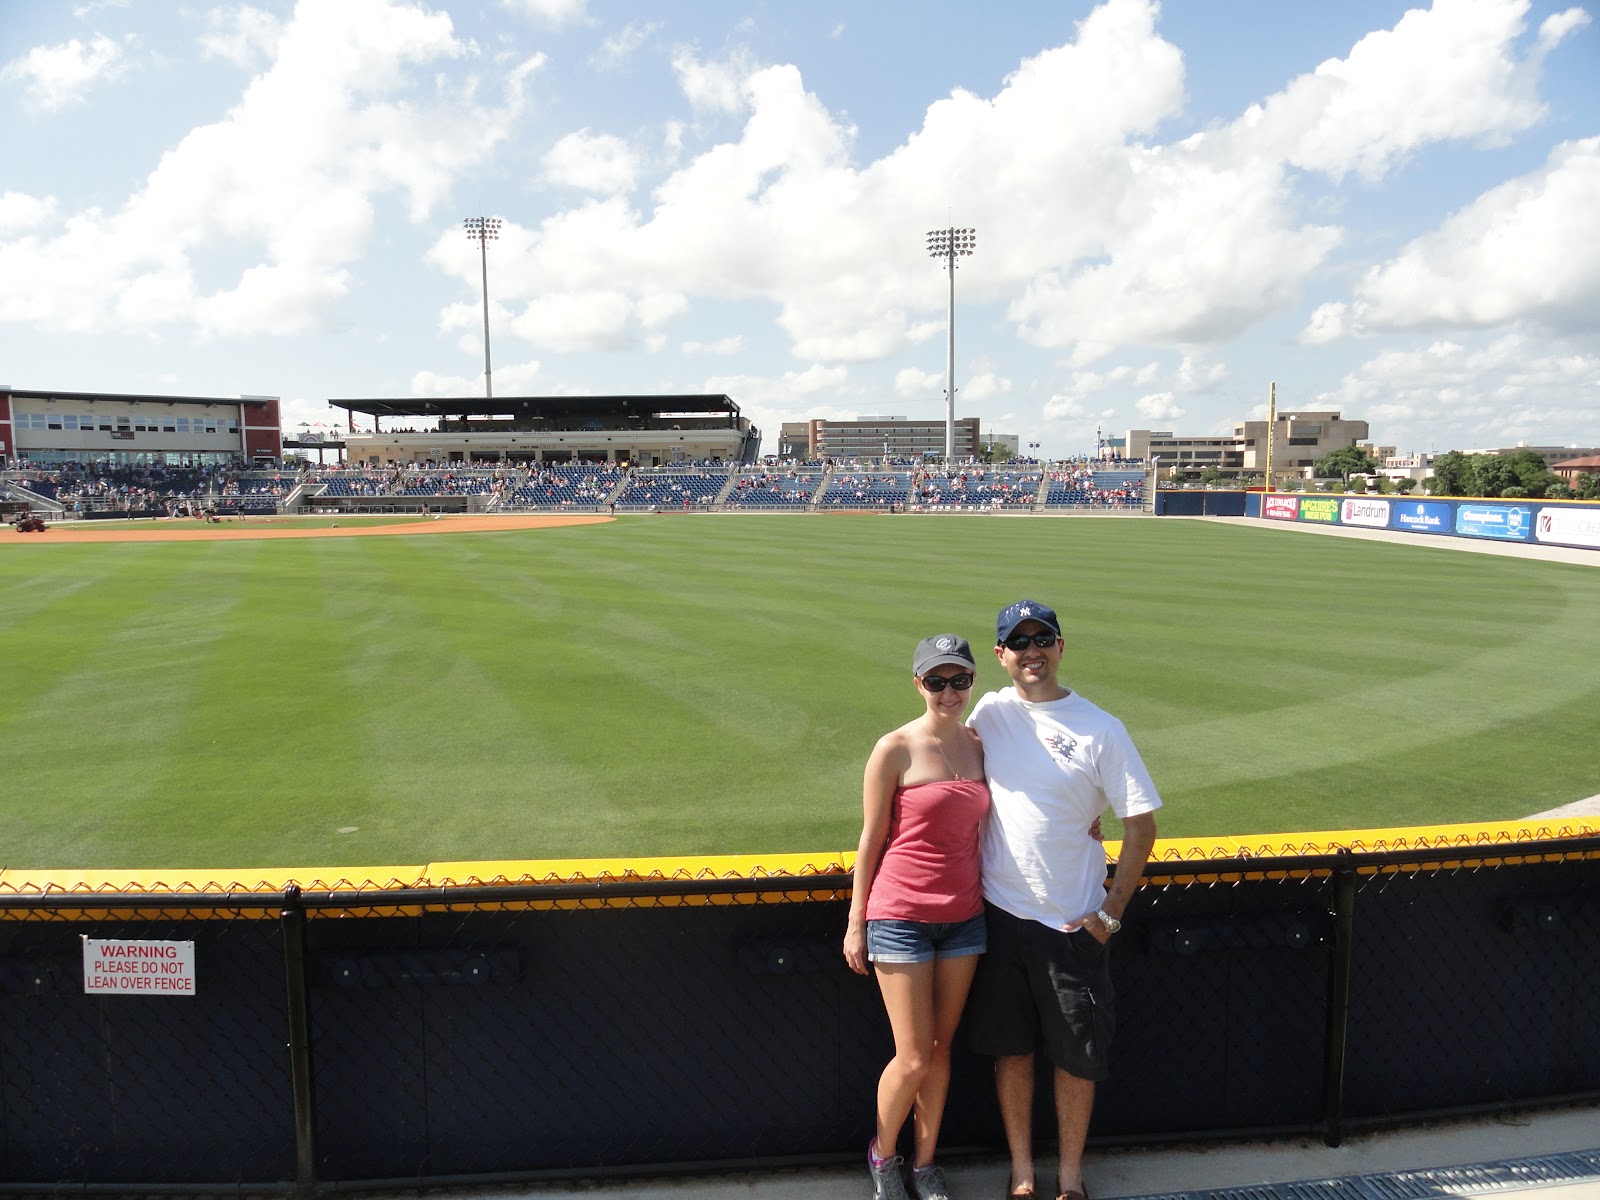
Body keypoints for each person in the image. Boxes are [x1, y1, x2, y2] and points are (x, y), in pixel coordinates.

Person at [965, 600, 1161, 1200]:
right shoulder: (990, 711)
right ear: (1001, 656)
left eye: (1042, 639)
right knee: (1013, 1052)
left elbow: (1142, 826)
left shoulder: (1101, 727)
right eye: (1018, 643)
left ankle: (1070, 1178)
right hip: (1000, 916)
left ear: (1060, 646)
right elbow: (948, 770)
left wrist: (1109, 916)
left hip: (1073, 925)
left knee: (1076, 1059)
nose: (1032, 653)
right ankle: (1023, 1171)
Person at [845, 635, 992, 1200]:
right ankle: (884, 1157)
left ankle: (926, 1164)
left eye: (959, 680)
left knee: (939, 1052)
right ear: (918, 685)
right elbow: (871, 837)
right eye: (937, 681)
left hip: (964, 916)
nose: (949, 691)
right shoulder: (895, 748)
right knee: (911, 1057)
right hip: (899, 914)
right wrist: (856, 920)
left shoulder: (980, 744)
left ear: (973, 681)